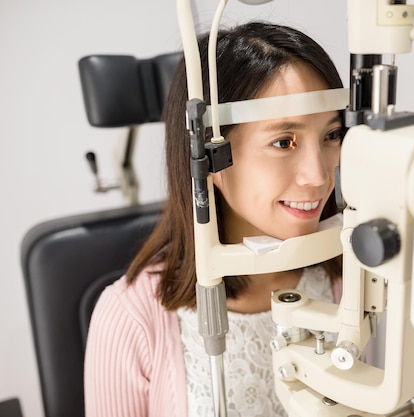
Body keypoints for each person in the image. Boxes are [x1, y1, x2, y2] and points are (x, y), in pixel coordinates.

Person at [83, 21, 345, 417]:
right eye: (283, 142)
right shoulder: (131, 319)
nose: (319, 175)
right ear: (209, 156)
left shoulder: (351, 280)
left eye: (331, 135)